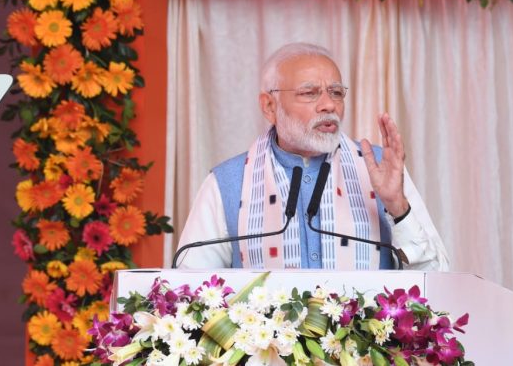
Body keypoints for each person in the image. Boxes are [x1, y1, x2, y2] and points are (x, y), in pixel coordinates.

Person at [176, 42, 448, 271]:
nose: (328, 105)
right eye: (309, 93)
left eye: (336, 92)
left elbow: (435, 277)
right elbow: (189, 291)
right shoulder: (227, 182)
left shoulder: (378, 169)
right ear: (269, 106)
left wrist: (397, 207)